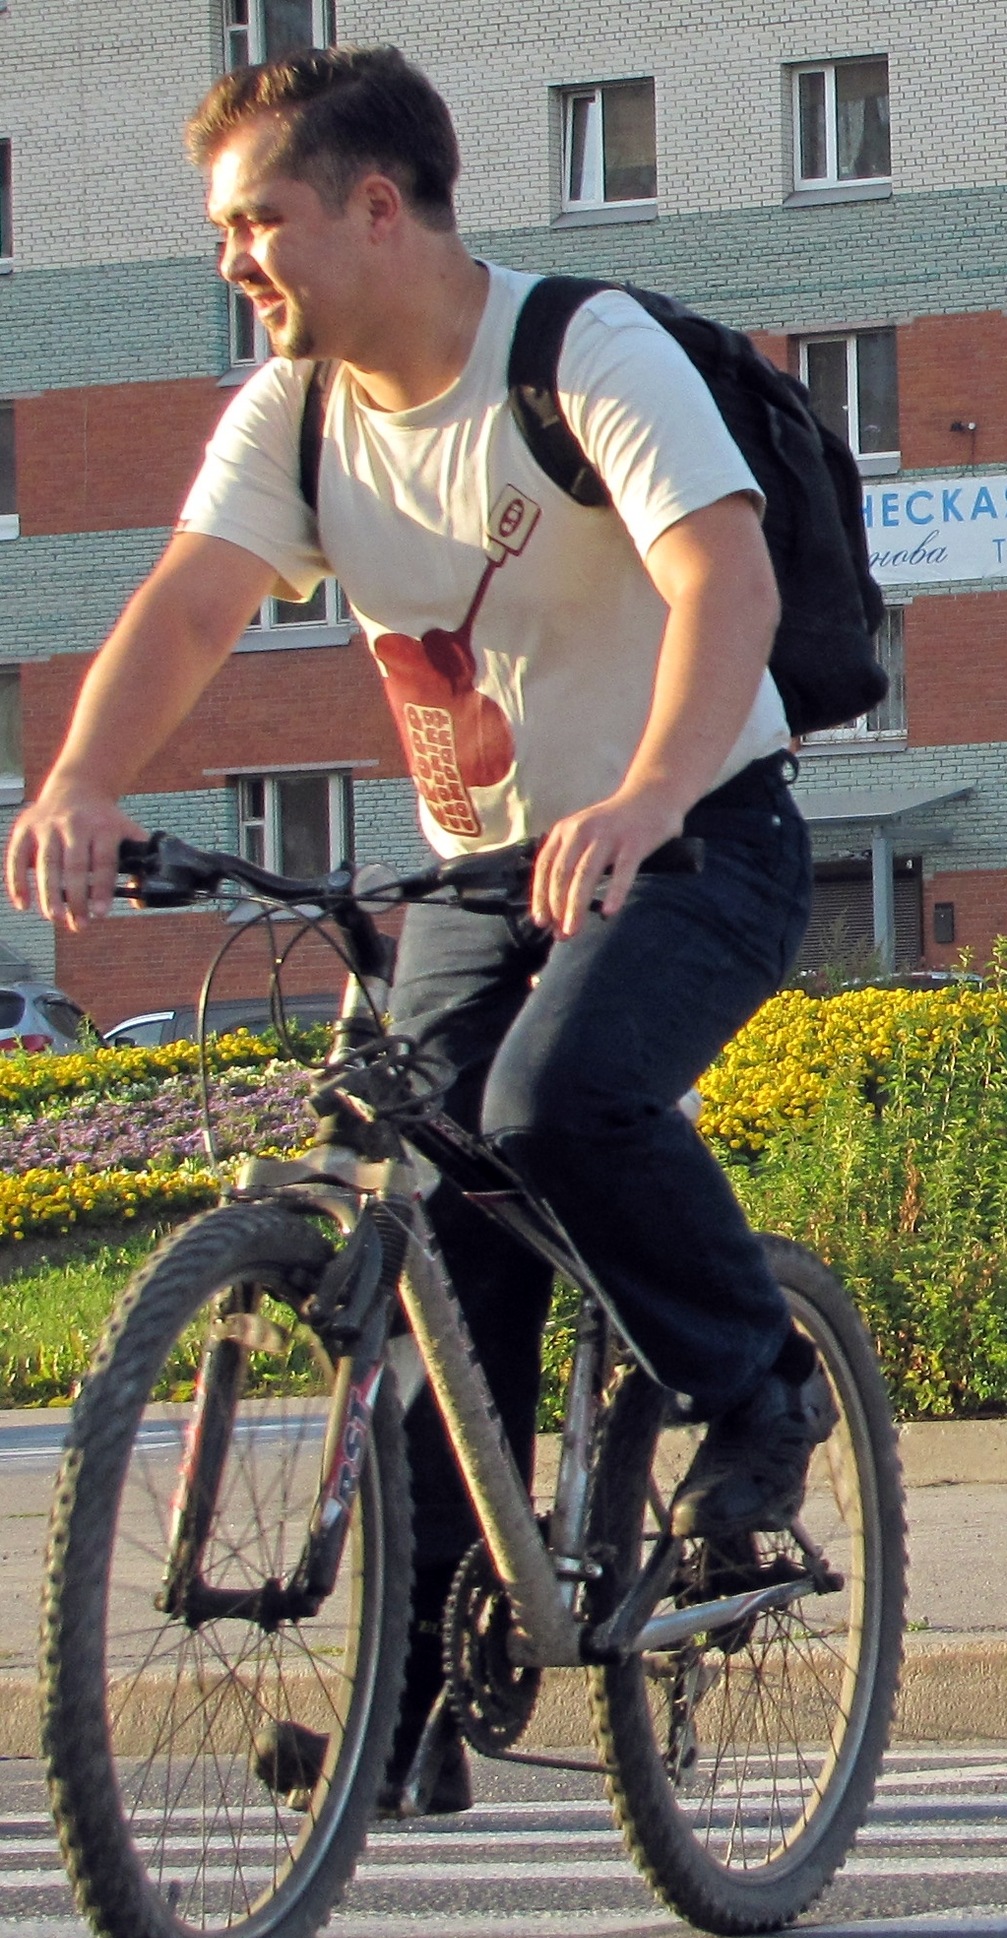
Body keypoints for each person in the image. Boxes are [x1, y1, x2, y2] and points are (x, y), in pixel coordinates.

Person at [5, 44, 835, 1819]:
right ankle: (423, 1695)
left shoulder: (580, 352)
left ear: (375, 207)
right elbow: (192, 606)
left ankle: (761, 1386)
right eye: (226, 230)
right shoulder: (293, 413)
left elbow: (728, 576)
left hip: (700, 836)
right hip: (482, 881)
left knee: (552, 1105)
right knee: (443, 1235)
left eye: (259, 221)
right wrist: (78, 780)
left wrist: (647, 795)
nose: (235, 258)